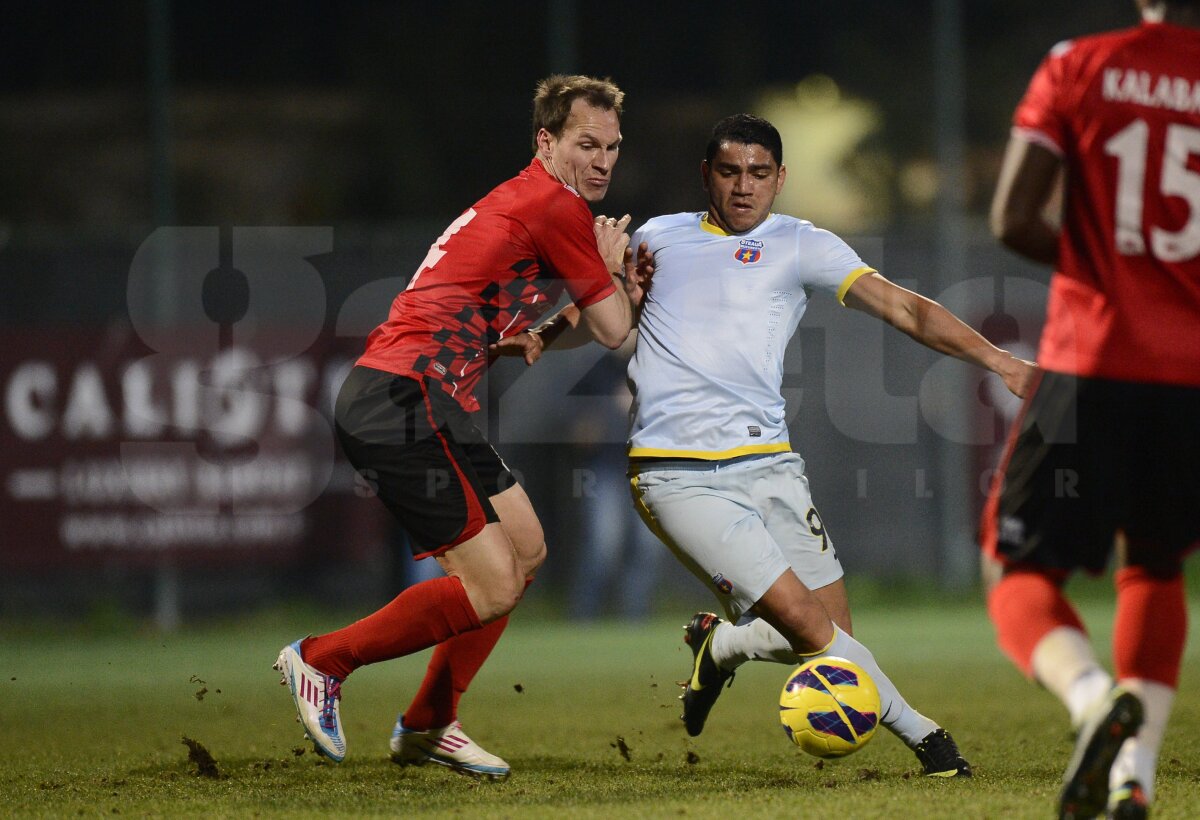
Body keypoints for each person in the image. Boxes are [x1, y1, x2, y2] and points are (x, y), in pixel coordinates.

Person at [626, 114, 1035, 777]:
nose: (743, 187)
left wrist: (1000, 361)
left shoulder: (800, 243)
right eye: (729, 172)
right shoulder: (656, 238)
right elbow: (603, 313)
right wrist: (544, 330)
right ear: (707, 175)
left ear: (781, 179)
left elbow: (904, 308)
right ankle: (932, 743)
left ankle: (721, 645)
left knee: (830, 631)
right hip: (679, 473)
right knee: (818, 635)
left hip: (769, 463)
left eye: (759, 174)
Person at [274, 74, 649, 780]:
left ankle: (428, 723)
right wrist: (612, 277)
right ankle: (322, 661)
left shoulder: (527, 201)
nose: (602, 161)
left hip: (430, 402)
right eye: (586, 144)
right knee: (493, 586)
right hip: (401, 399)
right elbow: (613, 330)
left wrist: (544, 325)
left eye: (613, 148)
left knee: (527, 551)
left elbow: (556, 336)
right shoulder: (553, 204)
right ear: (546, 141)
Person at [984, 2, 1200, 817]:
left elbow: (1012, 217)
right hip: (1193, 377)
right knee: (1156, 564)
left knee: (1017, 575)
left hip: (1094, 356)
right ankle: (1133, 777)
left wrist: (1111, 264)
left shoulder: (1081, 64)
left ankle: (1090, 700)